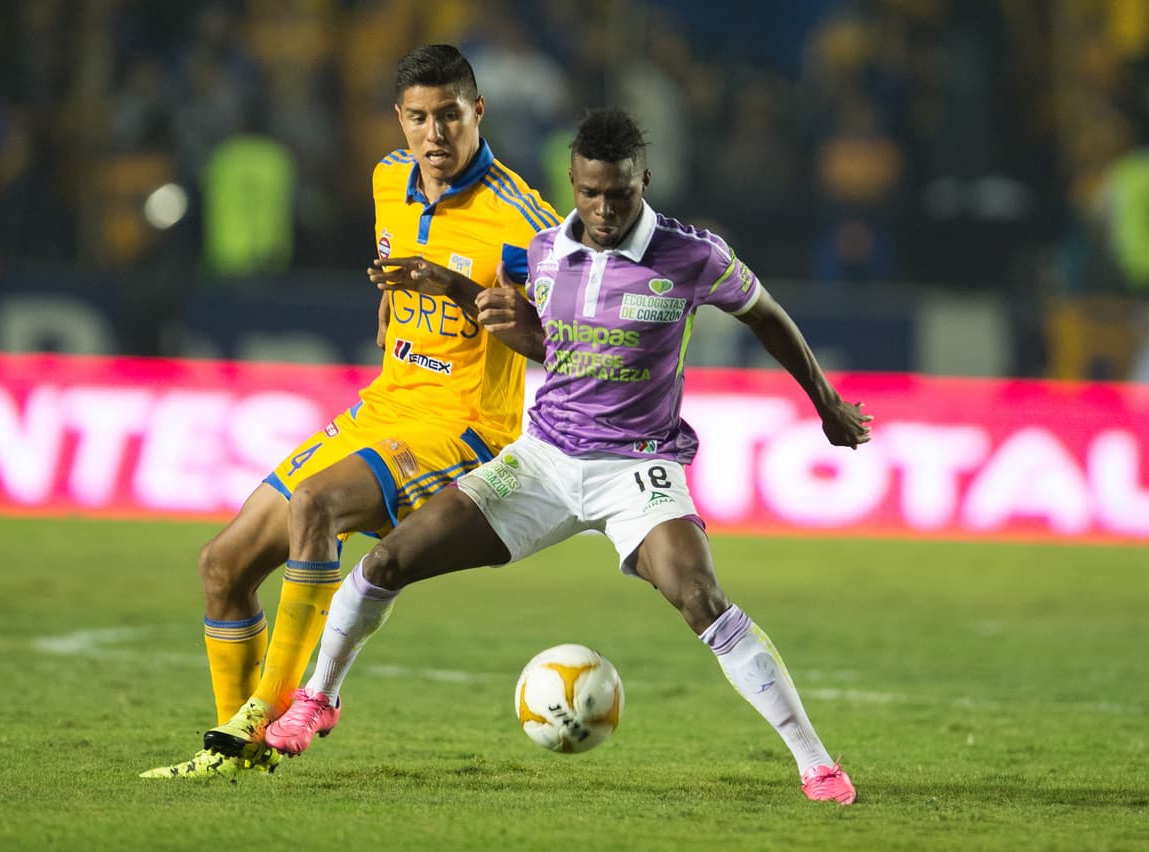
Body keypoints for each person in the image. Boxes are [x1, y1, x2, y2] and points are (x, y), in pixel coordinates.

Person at [263, 107, 871, 804]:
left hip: (636, 469)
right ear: (573, 182)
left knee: (702, 598)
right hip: (544, 460)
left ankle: (815, 762)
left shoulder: (691, 254)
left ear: (644, 179)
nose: (604, 208)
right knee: (386, 561)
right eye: (590, 192)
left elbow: (765, 313)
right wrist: (463, 293)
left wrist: (825, 403)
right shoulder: (547, 251)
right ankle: (319, 698)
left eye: (619, 193)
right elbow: (552, 348)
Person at [141, 44, 560, 778]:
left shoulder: (523, 219)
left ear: (478, 112)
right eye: (420, 118)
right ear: (400, 119)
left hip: (463, 425)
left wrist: (471, 300)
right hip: (386, 404)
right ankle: (237, 760)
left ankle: (265, 717)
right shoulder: (388, 179)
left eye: (450, 116)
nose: (435, 135)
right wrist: (397, 302)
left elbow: (564, 342)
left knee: (316, 505)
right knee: (221, 566)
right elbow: (401, 267)